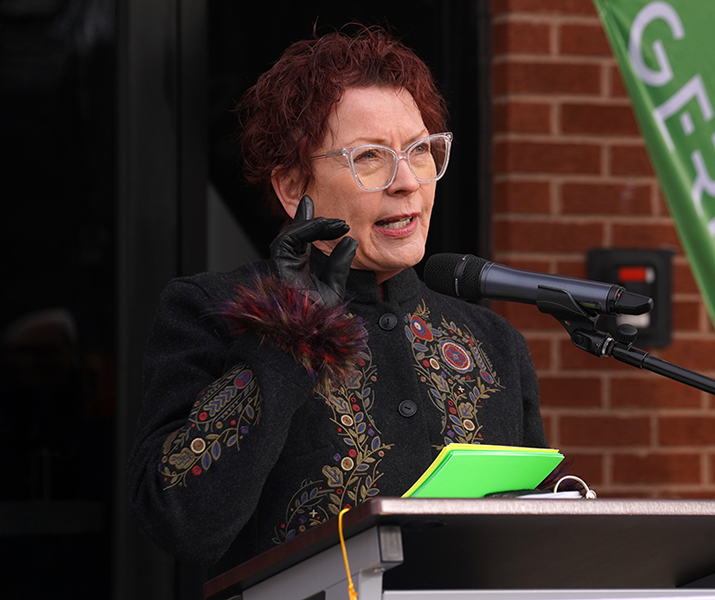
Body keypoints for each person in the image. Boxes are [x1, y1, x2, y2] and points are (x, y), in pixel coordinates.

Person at [127, 26, 547, 575]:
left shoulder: (493, 342)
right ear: (293, 187)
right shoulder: (210, 309)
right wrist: (289, 335)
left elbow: (531, 540)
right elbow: (177, 518)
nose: (407, 182)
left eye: (421, 151)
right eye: (370, 157)